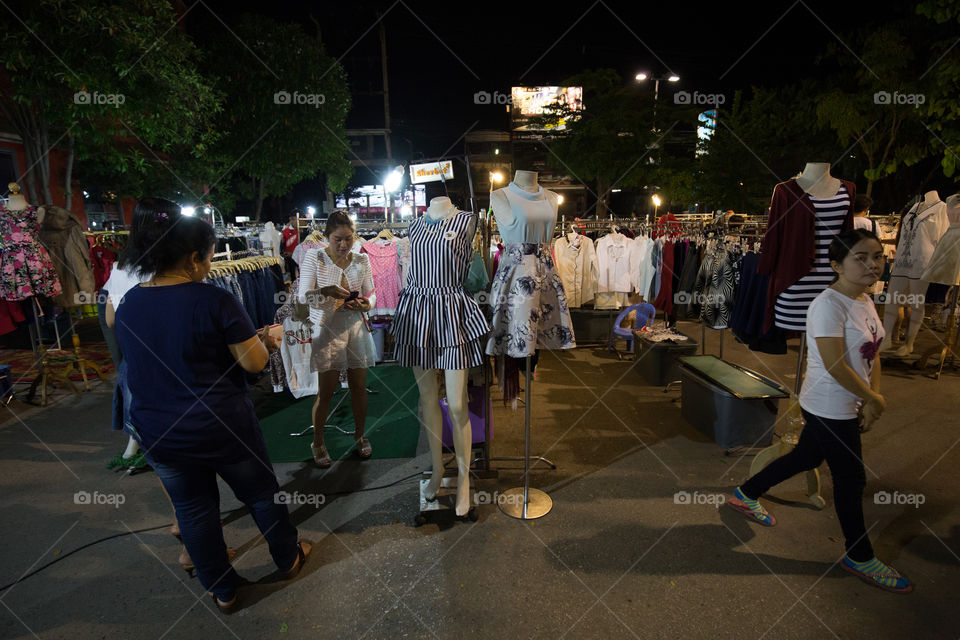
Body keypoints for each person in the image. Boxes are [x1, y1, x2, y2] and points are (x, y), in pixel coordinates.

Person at [114, 204, 309, 613]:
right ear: (192, 258)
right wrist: (269, 340)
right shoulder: (214, 300)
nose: (210, 265)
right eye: (208, 257)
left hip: (160, 432)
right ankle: (288, 557)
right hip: (221, 425)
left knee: (194, 510)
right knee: (260, 494)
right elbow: (253, 363)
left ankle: (222, 590)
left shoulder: (129, 303)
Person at [728, 229, 912, 594]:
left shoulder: (864, 300)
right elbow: (833, 364)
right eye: (860, 257)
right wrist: (873, 400)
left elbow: (871, 351)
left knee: (805, 456)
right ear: (835, 265)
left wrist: (873, 396)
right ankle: (859, 556)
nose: (872, 264)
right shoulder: (828, 304)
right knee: (851, 480)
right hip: (829, 405)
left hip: (848, 402)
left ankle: (745, 493)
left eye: (877, 256)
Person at [298, 211, 377, 467]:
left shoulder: (361, 259)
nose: (343, 245)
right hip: (327, 328)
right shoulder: (315, 256)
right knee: (327, 391)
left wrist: (367, 305)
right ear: (327, 237)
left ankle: (360, 434)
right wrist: (325, 291)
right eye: (337, 239)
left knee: (358, 386)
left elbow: (371, 293)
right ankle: (317, 441)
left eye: (348, 238)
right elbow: (302, 297)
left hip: (355, 326)